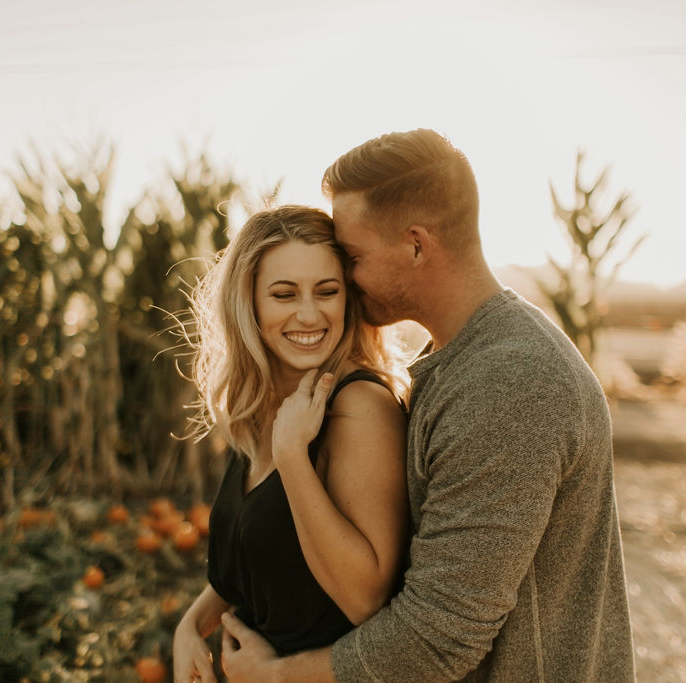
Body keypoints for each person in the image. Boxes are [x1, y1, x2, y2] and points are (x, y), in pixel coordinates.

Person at [218, 129, 635, 682]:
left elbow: (437, 638)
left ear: (415, 245)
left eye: (354, 257)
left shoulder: (509, 383)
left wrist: (274, 677)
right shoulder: (466, 361)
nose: (347, 279)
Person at [172, 206, 410, 683]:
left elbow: (365, 599)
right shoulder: (264, 408)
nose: (309, 313)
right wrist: (189, 626)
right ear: (249, 305)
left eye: (327, 291)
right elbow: (262, 547)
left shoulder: (358, 406)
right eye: (284, 294)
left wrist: (291, 459)